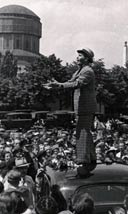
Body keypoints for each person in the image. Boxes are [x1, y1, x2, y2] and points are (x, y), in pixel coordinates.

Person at [44, 48, 97, 177]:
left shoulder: (87, 71)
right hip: (81, 107)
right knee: (83, 131)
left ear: (87, 58)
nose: (77, 57)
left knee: (82, 131)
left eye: (80, 55)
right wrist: (57, 84)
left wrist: (59, 85)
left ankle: (83, 160)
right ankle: (90, 157)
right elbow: (70, 82)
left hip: (85, 106)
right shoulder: (80, 70)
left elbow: (77, 84)